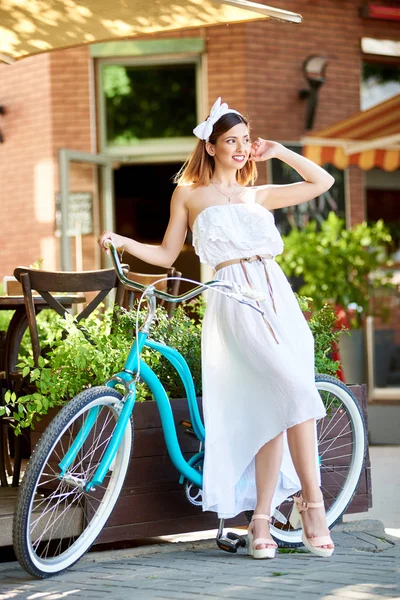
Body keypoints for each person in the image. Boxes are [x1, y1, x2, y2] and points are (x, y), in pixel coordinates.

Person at [98, 97, 335, 560]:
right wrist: (124, 241)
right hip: (231, 299)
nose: (242, 148)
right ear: (210, 146)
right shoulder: (188, 193)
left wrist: (279, 152)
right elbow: (167, 255)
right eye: (232, 141)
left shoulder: (256, 194)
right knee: (290, 388)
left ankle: (262, 521)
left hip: (277, 299)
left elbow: (321, 181)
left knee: (280, 402)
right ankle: (313, 503)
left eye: (246, 140)